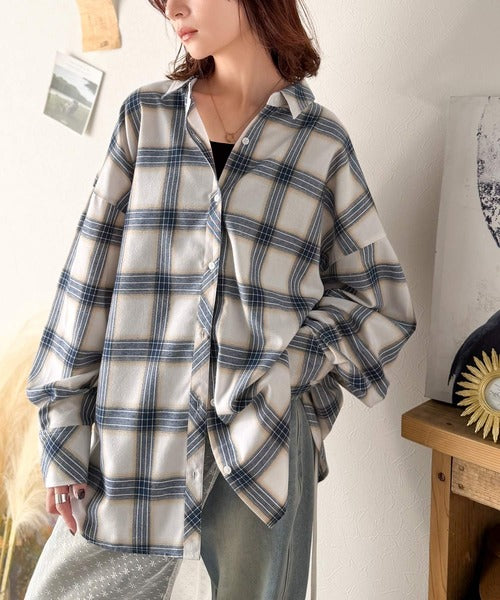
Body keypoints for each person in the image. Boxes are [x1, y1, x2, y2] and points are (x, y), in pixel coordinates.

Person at [24, 0, 418, 598]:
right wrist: (62, 429)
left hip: (263, 441)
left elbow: (381, 299)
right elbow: (87, 283)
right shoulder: (146, 120)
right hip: (139, 430)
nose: (173, 9)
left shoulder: (320, 144)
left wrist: (289, 365)